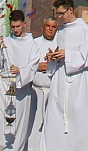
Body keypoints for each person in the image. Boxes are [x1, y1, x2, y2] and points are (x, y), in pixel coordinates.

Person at [39, 0, 88, 151]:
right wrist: (52, 56)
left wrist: (68, 55)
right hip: (60, 77)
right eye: (58, 14)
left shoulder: (83, 29)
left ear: (71, 10)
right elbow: (58, 50)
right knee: (55, 114)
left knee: (77, 115)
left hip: (77, 78)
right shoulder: (61, 31)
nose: (60, 17)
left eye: (62, 13)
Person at [0, 9, 42, 151]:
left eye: (18, 26)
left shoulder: (32, 44)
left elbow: (33, 66)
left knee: (18, 122)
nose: (15, 30)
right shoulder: (6, 41)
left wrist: (20, 70)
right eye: (13, 27)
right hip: (4, 85)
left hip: (20, 88)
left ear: (24, 24)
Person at [29, 18, 58, 151]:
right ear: (43, 27)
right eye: (48, 26)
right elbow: (25, 65)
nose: (50, 29)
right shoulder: (34, 43)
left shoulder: (60, 45)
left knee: (52, 126)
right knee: (35, 125)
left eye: (53, 27)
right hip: (36, 90)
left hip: (54, 91)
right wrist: (37, 67)